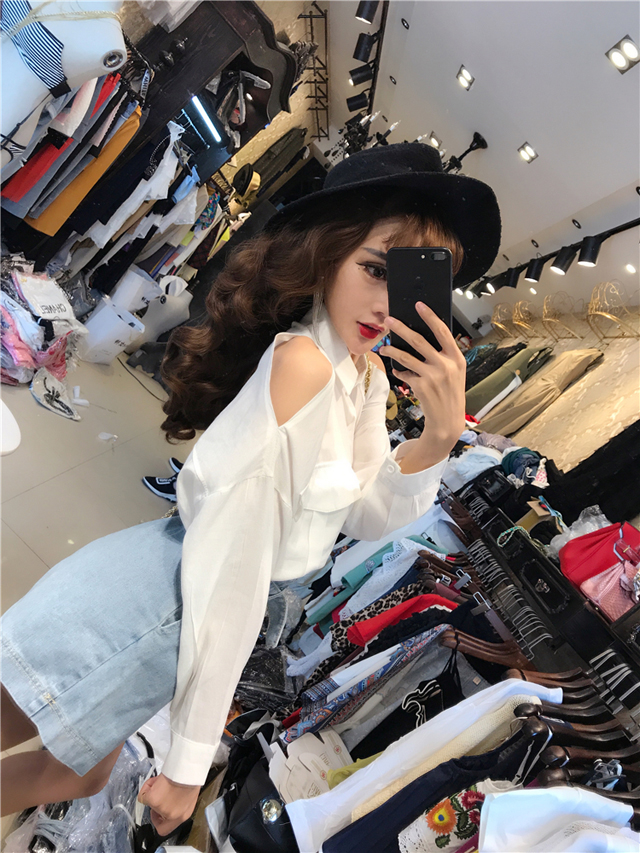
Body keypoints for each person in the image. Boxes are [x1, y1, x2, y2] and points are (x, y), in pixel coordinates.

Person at [1, 143, 500, 836]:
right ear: (329, 253)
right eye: (375, 269)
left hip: (179, 620)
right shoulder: (306, 366)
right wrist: (188, 759)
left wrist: (438, 439)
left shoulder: (361, 376)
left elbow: (366, 511)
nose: (387, 305)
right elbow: (231, 565)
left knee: (78, 775)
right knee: (33, 734)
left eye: (408, 280)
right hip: (159, 602)